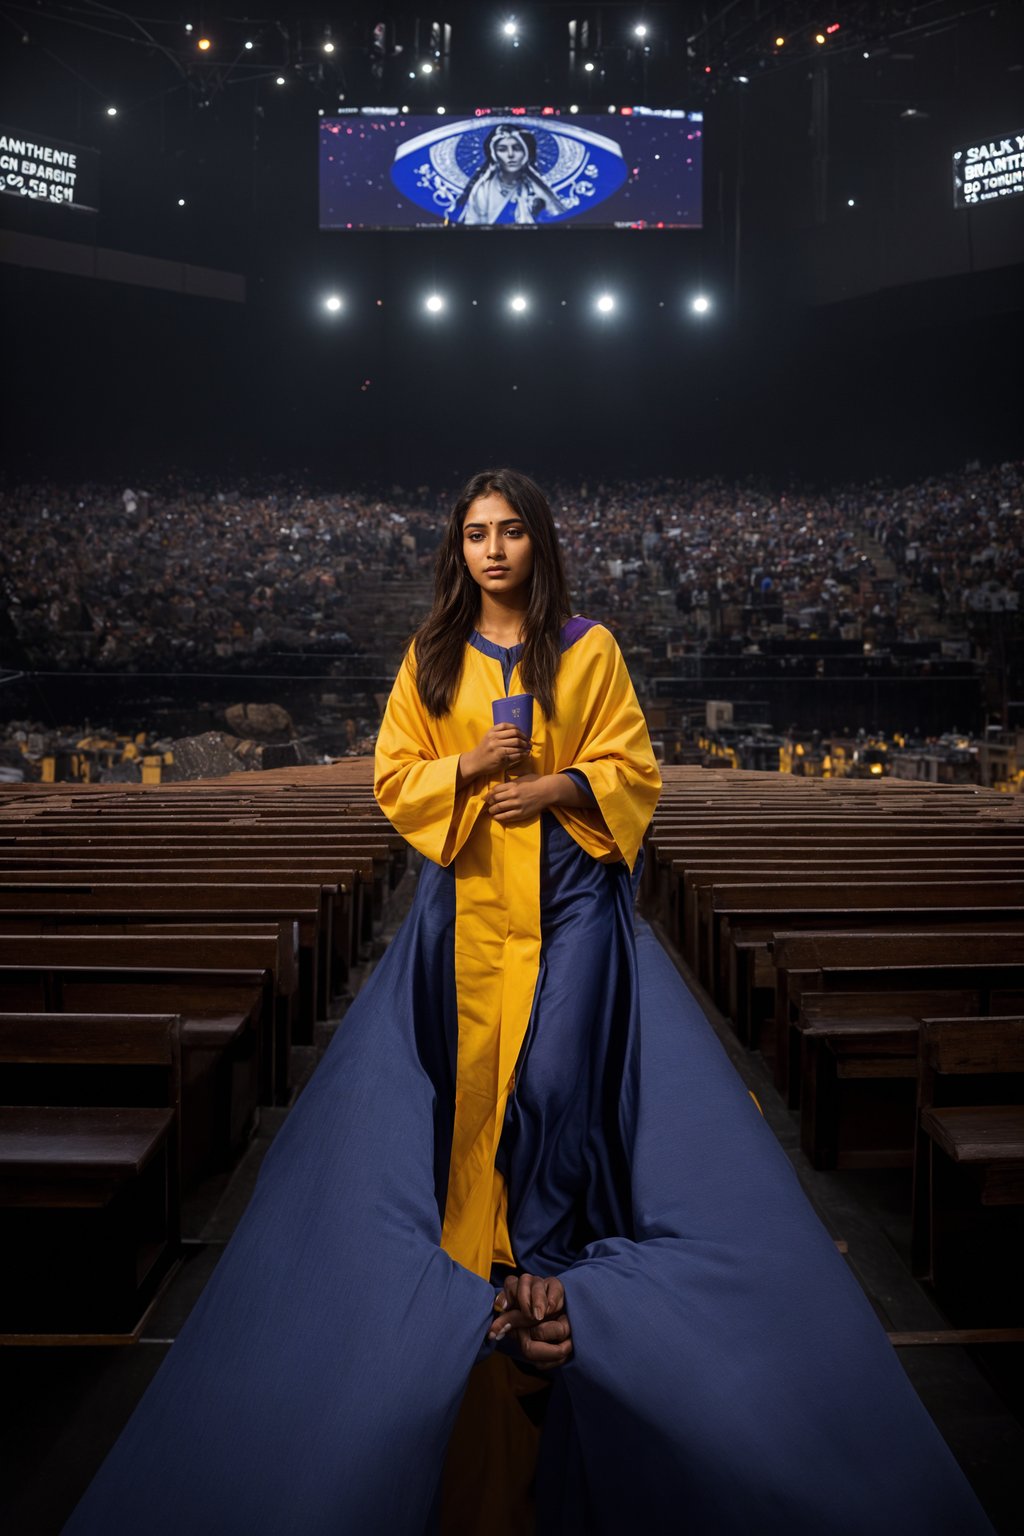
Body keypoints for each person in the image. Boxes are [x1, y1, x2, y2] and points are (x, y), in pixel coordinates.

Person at [64, 470, 994, 1536]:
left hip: (569, 892)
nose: (493, 550)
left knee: (555, 1072)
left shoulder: (585, 646)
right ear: (456, 549)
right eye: (474, 534)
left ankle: (546, 1261)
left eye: (509, 532)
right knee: (478, 1082)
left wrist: (553, 784)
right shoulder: (430, 657)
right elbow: (390, 775)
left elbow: (631, 763)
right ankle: (491, 1258)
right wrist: (470, 762)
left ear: (536, 542)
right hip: (469, 900)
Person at [456, 127, 567, 225]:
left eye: (517, 148)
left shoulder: (537, 189)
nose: (510, 155)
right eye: (502, 149)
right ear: (495, 155)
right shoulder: (483, 189)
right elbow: (472, 224)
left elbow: (557, 220)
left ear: (525, 153)